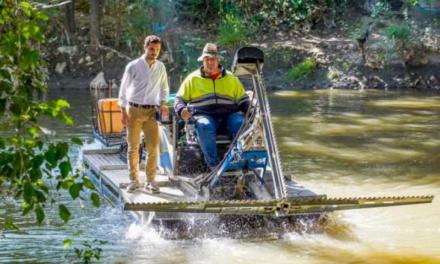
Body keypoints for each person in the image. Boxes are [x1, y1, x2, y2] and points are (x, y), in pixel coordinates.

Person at [174, 43, 249, 170]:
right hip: (204, 115)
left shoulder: (232, 78)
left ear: (218, 60)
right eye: (206, 59)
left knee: (240, 122)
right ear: (202, 60)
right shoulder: (192, 79)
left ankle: (237, 160)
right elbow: (179, 99)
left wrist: (252, 112)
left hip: (228, 116)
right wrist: (181, 110)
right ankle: (213, 165)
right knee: (204, 125)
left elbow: (243, 101)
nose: (209, 62)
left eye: (212, 59)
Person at [118, 35, 169, 193]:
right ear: (145, 47)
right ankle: (134, 180)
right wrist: (123, 111)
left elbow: (164, 87)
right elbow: (123, 89)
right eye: (152, 49)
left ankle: (150, 181)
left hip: (152, 111)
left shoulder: (160, 67)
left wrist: (163, 104)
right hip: (133, 109)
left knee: (153, 147)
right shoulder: (133, 66)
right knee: (133, 147)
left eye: (157, 50)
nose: (154, 52)